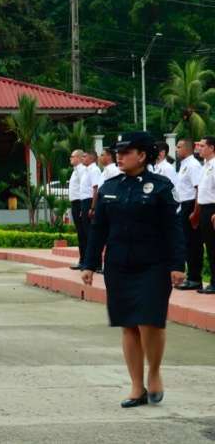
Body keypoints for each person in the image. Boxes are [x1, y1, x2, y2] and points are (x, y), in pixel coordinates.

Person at [82, 131, 185, 408]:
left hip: (154, 264)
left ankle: (154, 373)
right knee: (128, 324)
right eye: (118, 151)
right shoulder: (109, 187)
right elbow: (98, 229)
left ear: (142, 155)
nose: (120, 155)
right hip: (119, 265)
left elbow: (174, 229)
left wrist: (178, 265)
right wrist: (90, 263)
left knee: (150, 321)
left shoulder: (162, 187)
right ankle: (136, 387)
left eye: (126, 151)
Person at [174, 138, 204, 291]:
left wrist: (195, 212)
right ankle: (190, 276)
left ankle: (195, 278)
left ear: (187, 148)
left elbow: (198, 188)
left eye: (179, 147)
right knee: (186, 243)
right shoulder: (183, 165)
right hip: (183, 206)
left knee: (193, 243)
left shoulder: (193, 165)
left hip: (191, 205)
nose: (176, 149)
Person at [193, 136, 215, 294]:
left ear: (212, 148)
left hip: (213, 209)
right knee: (209, 246)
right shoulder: (205, 165)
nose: (199, 148)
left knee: (214, 246)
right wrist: (197, 212)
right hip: (205, 209)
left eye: (202, 145)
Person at [79, 151, 101, 269]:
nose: (82, 158)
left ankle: (96, 264)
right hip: (85, 202)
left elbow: (95, 189)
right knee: (86, 235)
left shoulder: (94, 170)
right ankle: (88, 263)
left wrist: (93, 207)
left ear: (92, 157)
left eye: (84, 156)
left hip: (90, 202)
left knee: (91, 235)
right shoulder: (86, 170)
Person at [68, 150, 85, 270]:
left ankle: (84, 261)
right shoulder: (75, 171)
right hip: (75, 203)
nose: (70, 158)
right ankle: (82, 260)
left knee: (83, 234)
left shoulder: (82, 170)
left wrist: (82, 207)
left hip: (80, 203)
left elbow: (84, 189)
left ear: (79, 158)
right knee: (80, 233)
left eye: (72, 156)